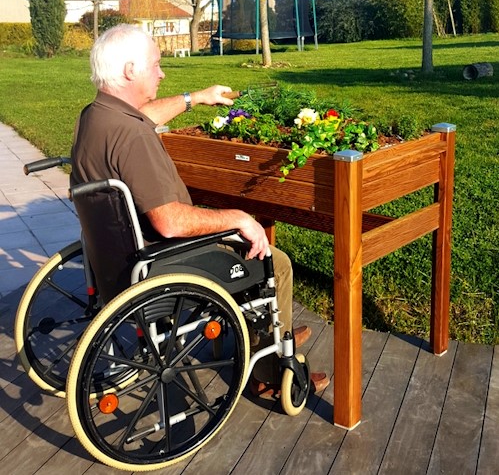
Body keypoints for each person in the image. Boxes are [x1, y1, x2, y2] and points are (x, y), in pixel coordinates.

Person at [70, 24, 329, 399]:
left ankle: (272, 328)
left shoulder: (95, 116)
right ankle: (270, 370)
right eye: (155, 65)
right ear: (129, 70)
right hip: (162, 262)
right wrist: (238, 218)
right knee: (277, 261)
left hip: (117, 263)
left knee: (239, 243)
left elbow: (145, 114)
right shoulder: (132, 137)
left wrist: (198, 97)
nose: (162, 72)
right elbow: (170, 221)